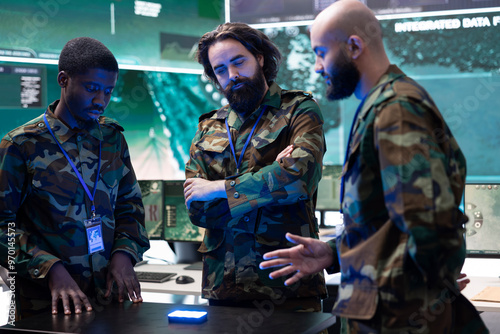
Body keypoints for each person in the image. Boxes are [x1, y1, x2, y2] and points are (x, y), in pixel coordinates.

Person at [260, 1, 488, 332]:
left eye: (321, 53)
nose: (316, 67)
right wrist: (333, 253)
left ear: (354, 46)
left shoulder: (396, 110)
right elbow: (386, 225)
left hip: (397, 320)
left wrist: (430, 296)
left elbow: (431, 226)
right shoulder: (380, 106)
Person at [0, 37, 150, 319]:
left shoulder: (113, 139)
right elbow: (2, 227)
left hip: (110, 297)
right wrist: (49, 268)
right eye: (92, 89)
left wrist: (124, 254)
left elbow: (130, 207)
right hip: (47, 305)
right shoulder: (20, 145)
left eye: (108, 91)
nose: (100, 101)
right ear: (63, 79)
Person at [183, 22, 327, 311]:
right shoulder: (208, 127)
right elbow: (198, 209)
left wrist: (219, 188)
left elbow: (299, 180)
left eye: (239, 62)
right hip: (224, 286)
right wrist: (274, 176)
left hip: (288, 285)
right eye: (220, 70)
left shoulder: (298, 111)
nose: (232, 75)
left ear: (259, 58)